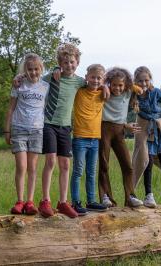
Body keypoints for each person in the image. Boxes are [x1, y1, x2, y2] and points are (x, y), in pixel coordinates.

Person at [4, 53, 49, 215]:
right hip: (19, 129)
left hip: (37, 130)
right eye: (29, 69)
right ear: (25, 70)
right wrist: (7, 129)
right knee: (21, 166)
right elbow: (10, 108)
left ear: (41, 69)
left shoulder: (45, 86)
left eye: (36, 69)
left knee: (32, 167)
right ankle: (19, 201)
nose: (33, 72)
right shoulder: (18, 85)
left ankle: (30, 202)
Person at [131, 66, 161, 208]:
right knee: (147, 161)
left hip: (159, 129)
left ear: (150, 79)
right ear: (135, 81)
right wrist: (133, 89)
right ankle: (149, 195)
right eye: (140, 81)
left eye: (146, 80)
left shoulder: (156, 92)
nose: (143, 83)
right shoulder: (134, 95)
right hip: (145, 129)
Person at [98, 67, 144, 208]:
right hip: (104, 129)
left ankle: (130, 197)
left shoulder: (128, 92)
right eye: (114, 85)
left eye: (120, 85)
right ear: (109, 84)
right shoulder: (104, 92)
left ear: (125, 85)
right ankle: (106, 197)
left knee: (127, 166)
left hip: (119, 131)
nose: (117, 88)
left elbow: (140, 90)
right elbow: (95, 83)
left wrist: (130, 84)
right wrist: (104, 85)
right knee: (104, 165)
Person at [70, 64, 108, 215]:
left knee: (91, 172)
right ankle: (76, 202)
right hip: (80, 137)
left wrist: (105, 87)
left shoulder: (102, 93)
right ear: (86, 77)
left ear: (103, 79)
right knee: (78, 171)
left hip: (95, 139)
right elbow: (69, 77)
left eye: (99, 78)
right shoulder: (79, 91)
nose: (96, 80)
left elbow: (126, 86)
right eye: (92, 77)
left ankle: (91, 201)